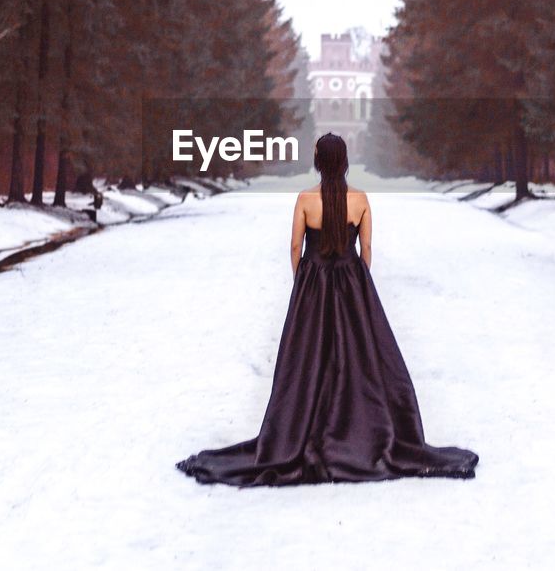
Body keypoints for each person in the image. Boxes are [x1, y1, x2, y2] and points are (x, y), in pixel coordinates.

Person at [175, 132, 479, 487]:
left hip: (313, 285)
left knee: (306, 363)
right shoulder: (360, 199)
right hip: (353, 283)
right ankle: (361, 434)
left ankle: (306, 431)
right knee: (362, 362)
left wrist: (303, 281)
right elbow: (366, 249)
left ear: (319, 161)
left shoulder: (305, 199)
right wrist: (359, 284)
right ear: (345, 161)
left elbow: (294, 247)